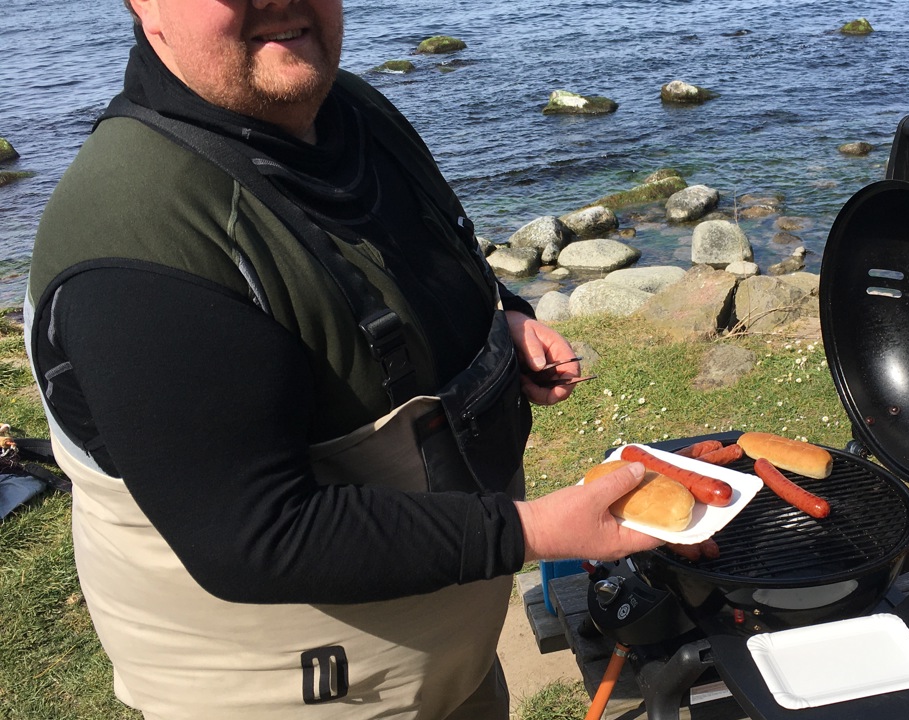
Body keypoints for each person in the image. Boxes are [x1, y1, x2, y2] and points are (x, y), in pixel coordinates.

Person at [24, 0, 664, 717]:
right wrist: (535, 531)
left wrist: (497, 319)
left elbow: (422, 257)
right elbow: (254, 534)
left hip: (447, 667)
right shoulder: (139, 243)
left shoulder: (347, 106)